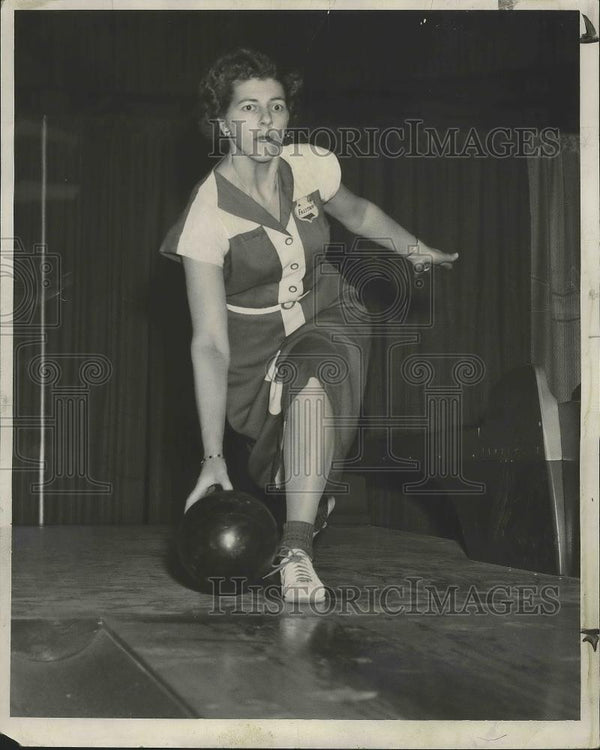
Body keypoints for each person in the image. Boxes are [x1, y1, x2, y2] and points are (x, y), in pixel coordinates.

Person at [160, 48, 458, 602]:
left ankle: (296, 551)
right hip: (250, 351)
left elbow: (358, 213)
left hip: (329, 312)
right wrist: (212, 457)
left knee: (316, 371)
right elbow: (208, 344)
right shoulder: (205, 219)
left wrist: (413, 249)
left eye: (276, 106)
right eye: (248, 108)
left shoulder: (309, 165)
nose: (265, 120)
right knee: (293, 434)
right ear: (222, 121)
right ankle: (309, 489)